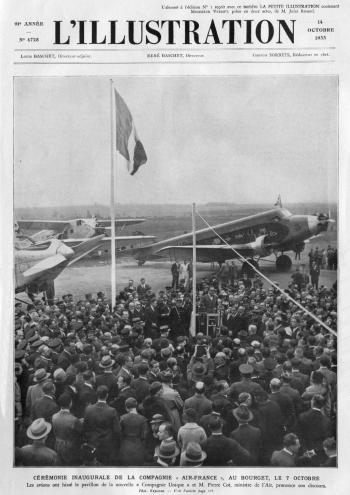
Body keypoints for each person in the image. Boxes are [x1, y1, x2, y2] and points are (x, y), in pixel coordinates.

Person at [83, 385, 121, 465]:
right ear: (107, 395)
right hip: (107, 446)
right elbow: (117, 430)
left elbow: (85, 427)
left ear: (97, 394)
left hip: (92, 444)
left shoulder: (88, 409)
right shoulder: (112, 411)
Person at [52, 394, 83, 465]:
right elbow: (81, 432)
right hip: (71, 450)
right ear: (70, 403)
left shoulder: (54, 416)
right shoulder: (74, 420)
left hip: (57, 446)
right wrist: (80, 422)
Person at [119, 397, 149, 466]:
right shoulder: (143, 419)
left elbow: (119, 433)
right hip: (139, 448)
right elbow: (144, 436)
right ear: (136, 407)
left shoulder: (122, 418)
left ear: (126, 407)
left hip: (125, 448)